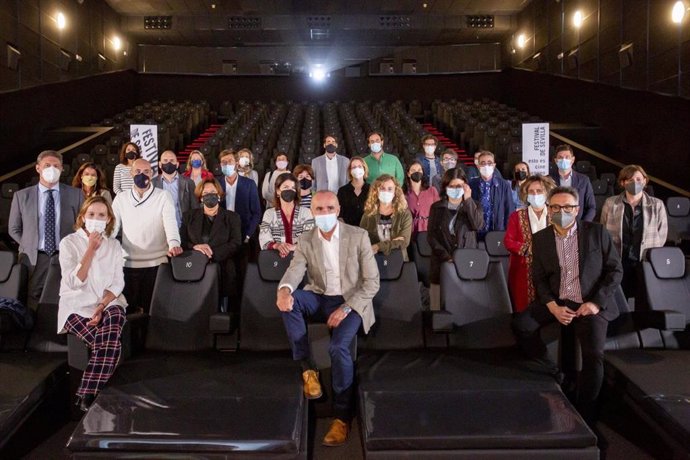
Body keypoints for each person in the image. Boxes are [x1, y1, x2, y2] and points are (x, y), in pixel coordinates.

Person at [276, 191, 379, 447]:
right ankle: (308, 369)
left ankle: (342, 417)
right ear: (312, 212)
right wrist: (284, 289)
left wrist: (346, 308)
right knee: (289, 302)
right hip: (320, 297)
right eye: (319, 209)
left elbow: (372, 283)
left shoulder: (358, 236)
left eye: (329, 208)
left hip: (351, 302)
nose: (324, 213)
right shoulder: (307, 239)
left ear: (338, 208)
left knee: (338, 347)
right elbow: (295, 270)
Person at [512, 186, 623, 424]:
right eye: (556, 207)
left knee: (593, 355)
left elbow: (615, 271)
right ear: (549, 209)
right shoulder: (541, 238)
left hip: (589, 302)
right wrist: (552, 305)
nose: (562, 211)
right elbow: (539, 278)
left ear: (577, 209)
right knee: (521, 324)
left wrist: (595, 303)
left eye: (568, 207)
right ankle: (555, 372)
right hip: (558, 299)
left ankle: (586, 412)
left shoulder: (597, 233)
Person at [57, 196, 126, 411]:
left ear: (108, 220)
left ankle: (85, 393)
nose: (96, 218)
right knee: (108, 344)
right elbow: (74, 281)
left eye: (102, 215)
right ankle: (90, 393)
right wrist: (90, 249)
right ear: (83, 217)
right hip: (76, 306)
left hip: (108, 302)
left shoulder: (114, 245)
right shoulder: (69, 243)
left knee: (115, 320)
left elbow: (117, 281)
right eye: (92, 214)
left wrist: (102, 305)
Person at [9, 150, 84, 310]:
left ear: (62, 169)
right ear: (38, 168)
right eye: (47, 165)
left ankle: (60, 332)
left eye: (56, 166)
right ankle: (33, 331)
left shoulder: (76, 194)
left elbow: (81, 226)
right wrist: (30, 243)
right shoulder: (22, 196)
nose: (52, 169)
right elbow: (13, 228)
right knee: (32, 297)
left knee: (65, 296)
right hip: (34, 257)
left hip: (65, 255)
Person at [111, 158, 182, 314]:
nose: (141, 175)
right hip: (128, 265)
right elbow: (113, 227)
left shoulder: (163, 196)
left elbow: (170, 222)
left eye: (146, 171)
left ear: (152, 174)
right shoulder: (121, 198)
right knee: (129, 310)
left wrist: (174, 242)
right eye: (137, 171)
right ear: (131, 173)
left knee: (154, 310)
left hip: (157, 264)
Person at [600, 165, 668, 298]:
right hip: (619, 259)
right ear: (622, 182)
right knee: (620, 298)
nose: (635, 183)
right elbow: (603, 230)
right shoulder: (610, 203)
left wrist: (652, 254)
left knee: (644, 298)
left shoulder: (657, 204)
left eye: (638, 179)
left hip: (645, 259)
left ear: (644, 181)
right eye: (630, 180)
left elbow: (662, 233)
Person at [427, 168, 483, 310]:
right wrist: (447, 257)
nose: (455, 189)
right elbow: (431, 236)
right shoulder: (436, 207)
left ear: (465, 186)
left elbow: (477, 225)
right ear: (445, 187)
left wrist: (468, 200)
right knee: (438, 307)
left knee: (465, 308)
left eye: (459, 186)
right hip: (442, 261)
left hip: (467, 261)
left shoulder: (474, 205)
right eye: (451, 186)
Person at [180, 178, 242, 307]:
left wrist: (211, 252)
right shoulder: (188, 216)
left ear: (219, 195)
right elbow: (183, 241)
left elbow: (236, 243)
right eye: (205, 193)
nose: (210, 196)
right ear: (201, 198)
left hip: (223, 269)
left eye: (213, 192)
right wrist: (196, 247)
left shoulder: (232, 217)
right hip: (195, 268)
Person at [504, 175, 556, 312]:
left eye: (539, 191)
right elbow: (508, 242)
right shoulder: (516, 216)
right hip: (522, 271)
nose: (535, 194)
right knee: (523, 312)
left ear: (547, 192)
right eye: (531, 192)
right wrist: (529, 248)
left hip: (552, 269)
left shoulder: (556, 214)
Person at [259, 173, 314, 257]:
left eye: (293, 188)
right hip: (276, 258)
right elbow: (264, 238)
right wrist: (277, 245)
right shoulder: (269, 213)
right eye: (286, 187)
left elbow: (309, 239)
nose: (290, 190)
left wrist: (292, 247)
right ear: (278, 191)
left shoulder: (306, 212)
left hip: (301, 259)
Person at [360, 174, 413, 261]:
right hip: (374, 261)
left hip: (399, 260)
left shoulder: (405, 214)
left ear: (395, 191)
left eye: (390, 189)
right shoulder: (368, 215)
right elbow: (363, 241)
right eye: (382, 188)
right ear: (376, 191)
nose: (386, 192)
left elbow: (404, 242)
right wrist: (394, 242)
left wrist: (378, 246)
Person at [217, 149, 261, 244]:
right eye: (224, 162)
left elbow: (256, 213)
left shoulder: (249, 184)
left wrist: (248, 234)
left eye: (230, 161)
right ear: (220, 165)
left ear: (236, 164)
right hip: (222, 235)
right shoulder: (216, 184)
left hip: (244, 233)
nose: (227, 164)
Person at [469, 150, 514, 239]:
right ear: (478, 166)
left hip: (497, 231)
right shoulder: (471, 184)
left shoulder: (504, 185)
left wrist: (509, 233)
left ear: (494, 165)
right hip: (476, 231)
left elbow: (509, 210)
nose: (486, 166)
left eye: (489, 163)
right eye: (483, 163)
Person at [549, 144, 596, 221]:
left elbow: (591, 207)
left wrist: (583, 225)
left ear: (572, 160)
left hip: (578, 224)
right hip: (555, 223)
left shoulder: (584, 180)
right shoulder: (548, 179)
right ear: (556, 160)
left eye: (567, 157)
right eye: (560, 157)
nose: (564, 160)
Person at [153, 150, 198, 228]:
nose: (168, 163)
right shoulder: (152, 184)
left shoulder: (189, 182)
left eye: (172, 160)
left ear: (177, 164)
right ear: (160, 164)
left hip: (183, 227)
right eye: (165, 160)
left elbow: (195, 207)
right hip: (160, 228)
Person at [405, 160, 440, 237]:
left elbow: (438, 211)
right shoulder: (404, 194)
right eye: (413, 170)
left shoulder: (432, 190)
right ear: (408, 174)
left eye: (419, 170)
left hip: (430, 231)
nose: (417, 172)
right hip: (410, 232)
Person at [337, 157, 370, 226]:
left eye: (359, 166)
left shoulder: (372, 189)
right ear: (350, 171)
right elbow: (339, 213)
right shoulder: (342, 191)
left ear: (364, 169)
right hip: (348, 231)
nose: (357, 169)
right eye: (354, 167)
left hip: (368, 230)